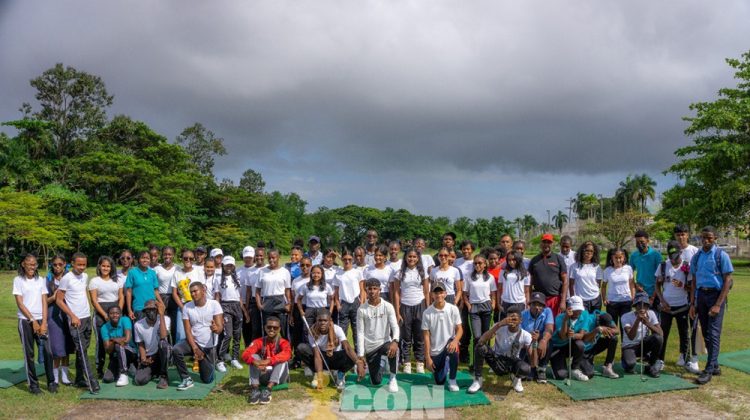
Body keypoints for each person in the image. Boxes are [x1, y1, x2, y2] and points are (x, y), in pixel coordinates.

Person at [690, 226, 734, 385]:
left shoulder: (721, 255)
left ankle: (708, 370)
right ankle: (715, 365)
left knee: (714, 333)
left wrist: (718, 304)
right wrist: (693, 303)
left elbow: (727, 280)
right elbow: (694, 281)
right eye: (703, 237)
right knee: (706, 334)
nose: (706, 240)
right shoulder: (697, 257)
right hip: (701, 295)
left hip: (716, 296)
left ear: (715, 238)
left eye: (709, 237)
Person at [56, 252, 100, 393]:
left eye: (84, 265)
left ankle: (79, 378)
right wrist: (72, 316)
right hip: (75, 320)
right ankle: (92, 382)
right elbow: (59, 300)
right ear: (72, 263)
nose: (82, 267)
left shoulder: (85, 276)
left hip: (86, 317)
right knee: (81, 351)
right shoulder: (66, 278)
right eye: (79, 264)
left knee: (84, 350)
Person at [655, 241, 699, 374]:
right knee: (662, 333)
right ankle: (659, 360)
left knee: (684, 333)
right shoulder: (663, 266)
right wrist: (662, 300)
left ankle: (684, 357)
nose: (673, 260)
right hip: (666, 307)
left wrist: (683, 286)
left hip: (682, 306)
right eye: (671, 257)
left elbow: (692, 287)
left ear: (681, 253)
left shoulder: (687, 266)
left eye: (676, 257)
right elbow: (657, 285)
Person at [14, 254, 55, 394]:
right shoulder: (18, 280)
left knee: (48, 352)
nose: (32, 267)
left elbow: (44, 301)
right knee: (29, 353)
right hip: (25, 321)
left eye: (34, 264)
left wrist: (43, 322)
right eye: (29, 264)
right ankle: (34, 385)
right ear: (23, 264)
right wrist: (32, 320)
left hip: (40, 320)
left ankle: (51, 382)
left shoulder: (41, 280)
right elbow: (20, 303)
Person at [173, 282, 224, 390]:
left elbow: (219, 328)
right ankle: (186, 378)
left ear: (203, 291)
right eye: (191, 292)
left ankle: (202, 361)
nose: (193, 294)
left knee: (207, 379)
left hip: (209, 347)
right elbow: (187, 330)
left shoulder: (214, 304)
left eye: (195, 291)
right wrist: (195, 348)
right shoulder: (187, 307)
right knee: (176, 349)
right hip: (194, 342)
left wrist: (216, 329)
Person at [469, 307, 532, 394]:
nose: (511, 321)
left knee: (525, 368)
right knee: (480, 347)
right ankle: (478, 380)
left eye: (514, 319)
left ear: (521, 320)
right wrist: (499, 325)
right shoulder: (499, 327)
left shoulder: (526, 335)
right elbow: (481, 341)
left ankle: (516, 378)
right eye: (509, 318)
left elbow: (533, 361)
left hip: (512, 362)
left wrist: (535, 343)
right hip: (497, 359)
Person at [356, 279, 400, 393]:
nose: (372, 291)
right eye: (369, 289)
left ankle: (393, 378)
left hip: (385, 342)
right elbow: (360, 333)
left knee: (394, 349)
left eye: (375, 289)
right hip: (371, 347)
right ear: (366, 290)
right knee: (375, 381)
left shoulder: (388, 306)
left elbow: (395, 326)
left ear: (380, 290)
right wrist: (360, 356)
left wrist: (395, 341)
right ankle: (381, 362)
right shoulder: (361, 310)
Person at [297, 309, 357, 390]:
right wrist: (320, 378)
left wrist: (358, 363)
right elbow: (317, 356)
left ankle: (340, 374)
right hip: (322, 357)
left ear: (330, 321)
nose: (322, 323)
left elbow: (347, 347)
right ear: (316, 320)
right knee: (301, 348)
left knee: (352, 353)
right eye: (320, 320)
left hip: (336, 357)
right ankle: (318, 374)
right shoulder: (312, 332)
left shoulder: (337, 329)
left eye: (325, 320)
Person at [393, 248, 429, 373]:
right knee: (406, 336)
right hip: (405, 306)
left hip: (420, 305)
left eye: (414, 257)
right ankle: (407, 361)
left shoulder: (422, 272)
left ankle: (420, 362)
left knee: (419, 335)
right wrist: (397, 312)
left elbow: (426, 291)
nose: (412, 259)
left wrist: (428, 308)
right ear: (405, 258)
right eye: (409, 256)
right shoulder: (400, 273)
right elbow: (397, 293)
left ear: (418, 258)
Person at [422, 282, 463, 392]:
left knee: (453, 350)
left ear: (445, 294)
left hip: (449, 344)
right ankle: (446, 364)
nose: (438, 295)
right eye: (436, 293)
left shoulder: (453, 309)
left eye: (441, 292)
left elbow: (459, 329)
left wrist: (455, 341)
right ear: (432, 295)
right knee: (439, 381)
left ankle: (453, 380)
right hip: (435, 351)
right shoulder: (427, 313)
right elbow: (426, 337)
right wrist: (428, 358)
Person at [88, 256, 124, 379]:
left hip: (115, 312)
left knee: (116, 339)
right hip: (100, 313)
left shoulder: (117, 280)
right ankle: (99, 368)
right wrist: (104, 315)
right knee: (102, 341)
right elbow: (94, 300)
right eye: (103, 266)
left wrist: (117, 312)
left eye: (108, 266)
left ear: (111, 267)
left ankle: (115, 366)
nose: (105, 268)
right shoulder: (94, 281)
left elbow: (121, 297)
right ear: (99, 266)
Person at [243, 316, 292, 404]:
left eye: (275, 328)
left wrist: (268, 361)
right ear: (265, 327)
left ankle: (268, 390)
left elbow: (288, 354)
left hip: (279, 377)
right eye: (269, 327)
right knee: (253, 356)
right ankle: (255, 389)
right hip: (264, 373)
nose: (272, 329)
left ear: (279, 329)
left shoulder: (284, 342)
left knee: (282, 359)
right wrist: (255, 362)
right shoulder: (259, 341)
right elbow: (245, 354)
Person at [465, 255, 497, 374]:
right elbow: (464, 293)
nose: (477, 265)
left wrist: (493, 303)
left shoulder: (490, 277)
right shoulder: (469, 277)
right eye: (475, 263)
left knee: (486, 336)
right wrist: (468, 305)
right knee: (477, 337)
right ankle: (475, 363)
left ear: (485, 264)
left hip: (486, 306)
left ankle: (486, 360)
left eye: (480, 263)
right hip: (474, 308)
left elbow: (493, 293)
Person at [214, 256, 247, 372]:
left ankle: (234, 358)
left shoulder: (237, 278)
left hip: (237, 306)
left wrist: (244, 312)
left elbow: (239, 297)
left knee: (237, 335)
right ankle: (220, 360)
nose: (229, 267)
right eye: (227, 265)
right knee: (228, 335)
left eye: (231, 265)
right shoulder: (218, 279)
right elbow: (217, 297)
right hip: (225, 307)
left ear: (233, 266)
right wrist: (218, 313)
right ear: (223, 265)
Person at [549, 296, 592, 382]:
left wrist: (572, 335)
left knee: (580, 344)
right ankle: (555, 366)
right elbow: (563, 336)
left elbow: (581, 335)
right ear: (569, 308)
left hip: (571, 345)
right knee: (561, 375)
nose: (577, 312)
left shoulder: (584, 314)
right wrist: (565, 319)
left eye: (579, 309)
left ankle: (574, 369)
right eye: (575, 310)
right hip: (558, 347)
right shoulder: (559, 318)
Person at [621, 292, 664, 377]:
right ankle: (625, 361)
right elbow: (631, 336)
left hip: (642, 344)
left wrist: (648, 323)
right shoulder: (625, 316)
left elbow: (661, 333)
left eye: (645, 305)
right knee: (630, 364)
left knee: (658, 338)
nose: (642, 308)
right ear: (635, 306)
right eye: (639, 305)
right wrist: (637, 320)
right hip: (629, 346)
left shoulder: (651, 313)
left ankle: (650, 366)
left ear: (648, 306)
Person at [45, 255, 73, 386]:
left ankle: (65, 375)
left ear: (65, 264)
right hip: (53, 315)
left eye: (60, 264)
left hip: (68, 314)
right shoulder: (48, 280)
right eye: (55, 264)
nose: (57, 267)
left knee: (67, 345)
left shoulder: (70, 277)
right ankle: (55, 377)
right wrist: (55, 297)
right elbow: (43, 301)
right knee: (56, 346)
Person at [133, 299, 171, 388]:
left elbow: (163, 336)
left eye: (153, 309)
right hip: (150, 356)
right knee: (139, 380)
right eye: (148, 310)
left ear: (157, 310)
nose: (151, 312)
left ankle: (164, 376)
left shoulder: (165, 319)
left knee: (163, 344)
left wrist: (161, 315)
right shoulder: (138, 324)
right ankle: (154, 371)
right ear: (144, 312)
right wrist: (143, 358)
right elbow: (141, 343)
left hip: (162, 354)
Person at [333, 249, 365, 352]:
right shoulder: (338, 274)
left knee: (357, 330)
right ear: (342, 259)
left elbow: (362, 289)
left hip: (356, 302)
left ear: (353, 259)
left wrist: (362, 302)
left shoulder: (357, 272)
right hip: (344, 304)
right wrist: (338, 304)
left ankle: (358, 353)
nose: (347, 261)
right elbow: (336, 292)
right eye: (345, 259)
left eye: (350, 259)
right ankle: (343, 352)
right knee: (342, 331)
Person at [529, 234, 569, 317]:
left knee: (554, 324)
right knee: (539, 324)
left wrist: (563, 300)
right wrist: (530, 299)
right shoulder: (534, 260)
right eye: (544, 242)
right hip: (539, 300)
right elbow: (529, 282)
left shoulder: (558, 259)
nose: (546, 244)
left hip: (554, 299)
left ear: (552, 244)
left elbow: (565, 281)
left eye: (549, 242)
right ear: (541, 243)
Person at [255, 249, 292, 338]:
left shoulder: (285, 271)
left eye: (274, 258)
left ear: (278, 258)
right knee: (267, 330)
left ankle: (286, 350)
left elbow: (287, 290)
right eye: (269, 258)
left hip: (280, 302)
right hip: (267, 302)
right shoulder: (262, 271)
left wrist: (289, 304)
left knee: (283, 331)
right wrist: (259, 305)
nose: (271, 260)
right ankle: (267, 350)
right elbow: (257, 291)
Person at [171, 249, 203, 343]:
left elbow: (202, 289)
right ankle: (181, 354)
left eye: (191, 258)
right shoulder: (177, 273)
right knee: (181, 333)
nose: (188, 260)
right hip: (182, 306)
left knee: (197, 330)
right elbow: (174, 292)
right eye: (185, 258)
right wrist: (182, 307)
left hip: (196, 306)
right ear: (182, 259)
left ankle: (196, 353)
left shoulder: (198, 272)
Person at [520, 292, 554, 383]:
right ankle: (531, 367)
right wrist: (528, 336)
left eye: (540, 305)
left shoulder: (548, 311)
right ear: (529, 305)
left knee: (549, 341)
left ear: (544, 306)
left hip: (539, 342)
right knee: (528, 375)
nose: (537, 307)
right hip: (526, 344)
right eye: (534, 304)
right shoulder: (522, 314)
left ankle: (541, 369)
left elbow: (549, 329)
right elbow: (519, 334)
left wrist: (543, 340)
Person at [100, 306, 136, 387]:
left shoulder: (125, 320)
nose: (115, 315)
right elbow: (108, 350)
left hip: (130, 352)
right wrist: (114, 341)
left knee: (118, 345)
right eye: (112, 313)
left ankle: (124, 373)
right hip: (115, 356)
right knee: (107, 379)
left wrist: (113, 340)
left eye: (117, 313)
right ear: (108, 315)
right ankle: (123, 367)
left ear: (121, 314)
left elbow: (127, 339)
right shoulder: (104, 328)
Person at [601, 247, 635, 331]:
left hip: (626, 301)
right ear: (612, 258)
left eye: (620, 257)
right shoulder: (607, 270)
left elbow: (631, 283)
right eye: (616, 258)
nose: (618, 260)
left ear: (624, 258)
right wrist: (604, 299)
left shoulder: (628, 268)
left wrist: (633, 296)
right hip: (612, 303)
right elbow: (603, 286)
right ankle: (612, 343)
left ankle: (625, 344)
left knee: (626, 327)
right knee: (612, 328)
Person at [629, 230, 663, 308]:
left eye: (642, 242)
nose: (639, 244)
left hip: (654, 293)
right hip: (640, 292)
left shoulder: (656, 255)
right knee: (641, 317)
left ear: (647, 241)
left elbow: (660, 277)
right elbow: (629, 274)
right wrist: (636, 284)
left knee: (654, 319)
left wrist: (653, 297)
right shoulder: (634, 255)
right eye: (637, 242)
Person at [125, 250, 161, 322]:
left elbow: (155, 290)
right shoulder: (132, 272)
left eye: (147, 258)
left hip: (152, 307)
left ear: (150, 260)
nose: (145, 260)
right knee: (139, 331)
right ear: (138, 259)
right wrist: (129, 310)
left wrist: (161, 303)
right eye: (143, 258)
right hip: (139, 308)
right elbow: (128, 292)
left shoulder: (153, 273)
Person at [454, 240, 475, 363]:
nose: (466, 251)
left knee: (473, 327)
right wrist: (461, 299)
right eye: (464, 249)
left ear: (472, 250)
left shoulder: (475, 262)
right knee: (462, 326)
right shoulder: (457, 262)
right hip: (461, 298)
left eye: (468, 249)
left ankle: (474, 352)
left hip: (474, 298)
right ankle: (462, 351)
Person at [568, 241, 603, 312]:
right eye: (586, 250)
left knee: (596, 321)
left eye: (591, 251)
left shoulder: (597, 267)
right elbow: (571, 285)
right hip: (581, 300)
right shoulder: (574, 266)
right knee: (584, 321)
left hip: (595, 299)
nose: (589, 253)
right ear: (581, 251)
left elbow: (598, 284)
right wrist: (572, 298)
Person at [297, 265, 334, 330]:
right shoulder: (306, 286)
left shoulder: (327, 286)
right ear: (311, 274)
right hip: (309, 311)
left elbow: (332, 300)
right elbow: (298, 299)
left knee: (322, 330)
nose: (316, 275)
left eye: (318, 273)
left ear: (322, 274)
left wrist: (330, 312)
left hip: (322, 311)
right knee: (308, 330)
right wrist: (301, 310)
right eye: (314, 273)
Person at [244, 245, 266, 343]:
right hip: (253, 301)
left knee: (266, 327)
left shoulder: (267, 269)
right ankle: (255, 351)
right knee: (255, 328)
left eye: (261, 255)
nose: (259, 258)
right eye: (257, 256)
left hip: (266, 300)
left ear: (264, 256)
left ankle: (266, 349)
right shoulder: (250, 271)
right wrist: (247, 307)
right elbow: (248, 290)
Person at [498, 251, 530, 319]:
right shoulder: (503, 272)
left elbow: (527, 291)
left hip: (520, 303)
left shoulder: (525, 273)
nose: (511, 262)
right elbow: (499, 289)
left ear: (518, 260)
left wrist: (527, 304)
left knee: (518, 325)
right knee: (504, 325)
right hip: (505, 302)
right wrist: (498, 303)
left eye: (514, 260)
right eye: (509, 260)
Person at [237, 246, 256, 346]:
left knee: (254, 327)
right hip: (241, 302)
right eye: (246, 257)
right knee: (245, 327)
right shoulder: (237, 271)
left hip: (253, 302)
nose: (248, 259)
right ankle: (248, 347)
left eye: (250, 257)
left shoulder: (257, 270)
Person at [154, 246, 177, 323]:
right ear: (162, 255)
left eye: (170, 254)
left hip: (174, 298)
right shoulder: (157, 269)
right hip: (161, 298)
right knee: (161, 322)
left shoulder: (178, 268)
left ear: (173, 255)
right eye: (165, 254)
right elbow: (154, 288)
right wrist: (160, 302)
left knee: (174, 323)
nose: (167, 256)